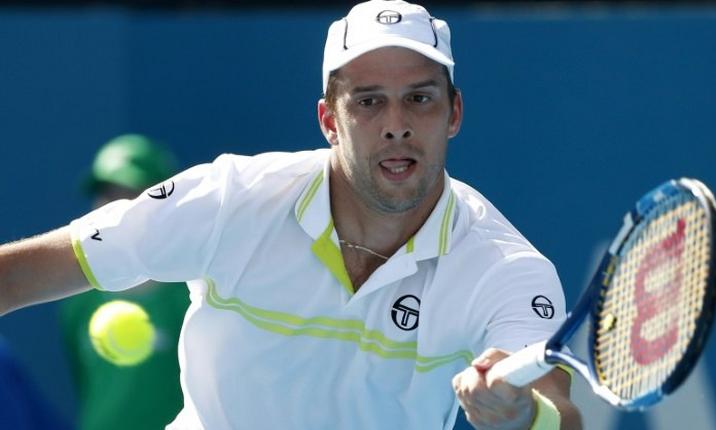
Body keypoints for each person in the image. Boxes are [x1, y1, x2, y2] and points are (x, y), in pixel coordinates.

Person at [0, 1, 582, 429]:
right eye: (369, 101)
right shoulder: (230, 199)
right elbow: (25, 272)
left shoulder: (505, 268)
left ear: (453, 113)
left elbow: (562, 412)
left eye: (420, 98)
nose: (397, 123)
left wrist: (522, 414)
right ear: (330, 121)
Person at [59, 135, 190, 430]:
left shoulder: (195, 297)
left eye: (130, 194)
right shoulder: (78, 305)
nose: (113, 208)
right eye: (107, 194)